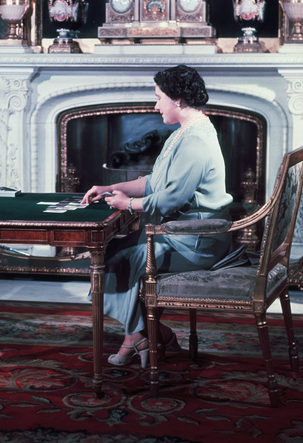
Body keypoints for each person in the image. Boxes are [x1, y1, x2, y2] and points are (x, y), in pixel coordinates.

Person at [81, 65, 233, 368]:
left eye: (158, 98)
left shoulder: (196, 140)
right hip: (178, 232)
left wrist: (128, 205)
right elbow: (154, 182)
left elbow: (172, 198)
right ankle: (142, 335)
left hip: (197, 240)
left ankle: (142, 336)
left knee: (124, 258)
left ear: (177, 99)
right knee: (112, 252)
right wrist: (111, 186)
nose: (155, 105)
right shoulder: (185, 133)